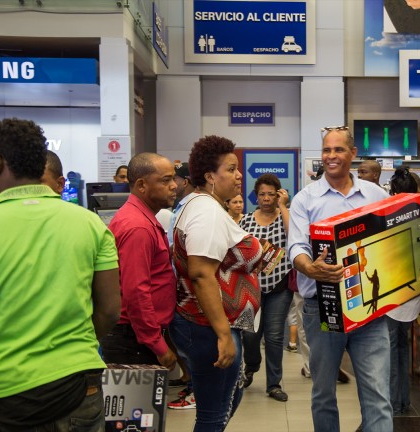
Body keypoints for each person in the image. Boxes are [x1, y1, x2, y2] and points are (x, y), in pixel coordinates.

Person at [0, 118, 121, 431]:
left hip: (9, 395)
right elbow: (109, 310)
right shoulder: (92, 225)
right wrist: (72, 347)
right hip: (80, 387)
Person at [287, 126, 406, 432]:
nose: (331, 156)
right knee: (324, 393)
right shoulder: (305, 199)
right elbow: (297, 246)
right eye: (327, 150)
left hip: (370, 309)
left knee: (378, 396)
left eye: (339, 150)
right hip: (323, 309)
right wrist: (308, 267)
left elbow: (399, 233)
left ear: (353, 154)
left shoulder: (374, 195)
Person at [169, 135, 262, 430]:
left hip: (209, 323)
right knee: (212, 415)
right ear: (210, 176)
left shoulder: (203, 206)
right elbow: (200, 273)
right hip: (208, 326)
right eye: (231, 169)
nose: (238, 176)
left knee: (224, 404)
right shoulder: (206, 212)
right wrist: (223, 334)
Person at [101, 153, 178, 372]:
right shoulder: (138, 227)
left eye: (173, 179)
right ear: (142, 185)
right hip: (134, 340)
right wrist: (159, 346)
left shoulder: (142, 218)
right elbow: (136, 292)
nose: (173, 186)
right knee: (141, 407)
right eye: (165, 180)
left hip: (136, 336)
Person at [385, 166, 420, 416]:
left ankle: (394, 403)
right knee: (401, 346)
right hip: (414, 290)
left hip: (391, 289)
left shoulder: (389, 217)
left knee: (390, 349)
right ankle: (403, 401)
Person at [240, 173, 293, 402]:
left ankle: (274, 384)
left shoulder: (284, 217)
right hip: (251, 287)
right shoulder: (246, 220)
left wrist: (284, 207)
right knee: (250, 335)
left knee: (273, 336)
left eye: (272, 194)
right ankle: (252, 365)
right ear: (256, 195)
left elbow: (294, 237)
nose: (267, 198)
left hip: (279, 287)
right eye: (262, 194)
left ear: (279, 194)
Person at [166, 161, 198, 410]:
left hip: (189, 291)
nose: (171, 185)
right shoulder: (180, 207)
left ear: (185, 181)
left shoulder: (192, 208)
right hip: (179, 287)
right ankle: (192, 385)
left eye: (173, 179)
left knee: (191, 347)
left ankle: (196, 391)